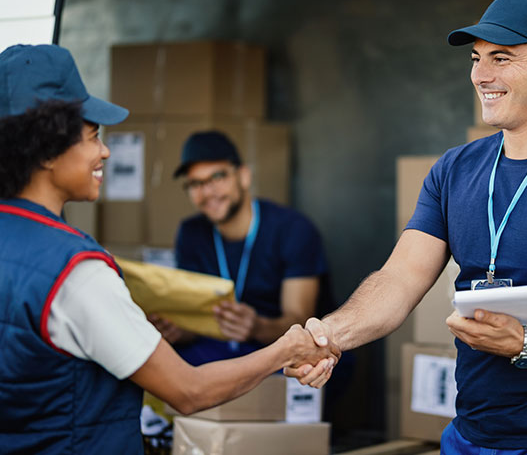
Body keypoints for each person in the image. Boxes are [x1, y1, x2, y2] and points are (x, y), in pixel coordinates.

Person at [0, 43, 337, 455]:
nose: (105, 151)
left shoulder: (291, 228)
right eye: (92, 137)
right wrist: (286, 348)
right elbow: (188, 391)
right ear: (48, 149)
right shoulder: (75, 272)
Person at [286, 0, 527, 452]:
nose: (480, 75)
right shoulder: (454, 170)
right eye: (476, 59)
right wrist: (328, 334)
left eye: (501, 58)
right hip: (472, 436)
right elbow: (399, 279)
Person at [150, 130, 332, 365]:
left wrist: (257, 327)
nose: (207, 192)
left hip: (281, 347)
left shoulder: (293, 229)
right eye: (195, 183)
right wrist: (178, 330)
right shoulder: (191, 232)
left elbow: (301, 321)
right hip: (218, 347)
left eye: (217, 177)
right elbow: (194, 318)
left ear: (244, 176)